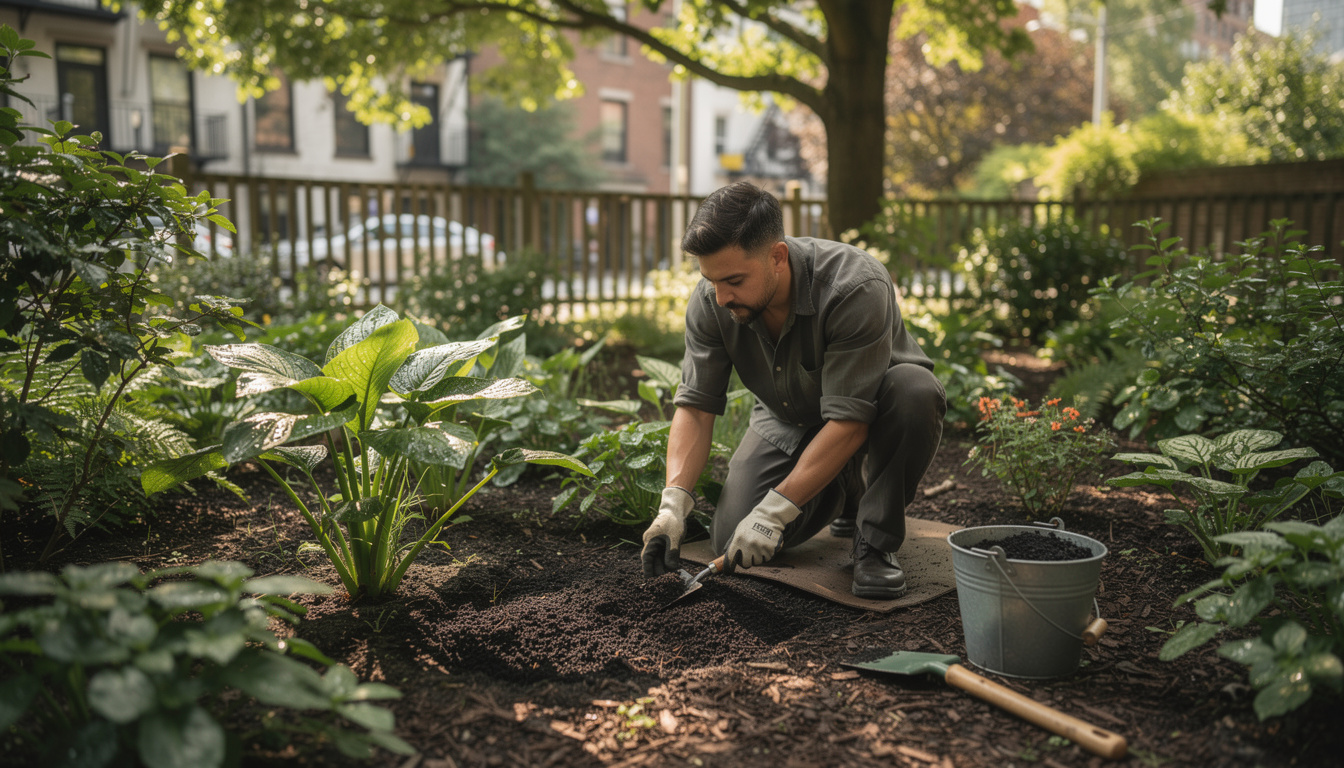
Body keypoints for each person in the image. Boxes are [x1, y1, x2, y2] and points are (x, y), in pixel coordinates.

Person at [640, 181, 945, 598]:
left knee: (915, 391)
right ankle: (846, 486)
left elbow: (850, 421)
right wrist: (673, 505)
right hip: (788, 417)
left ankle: (874, 540)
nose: (721, 297)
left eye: (733, 280)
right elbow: (695, 407)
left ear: (777, 257)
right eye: (711, 281)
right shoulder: (714, 301)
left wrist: (777, 510)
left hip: (874, 413)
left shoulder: (854, 286)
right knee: (731, 538)